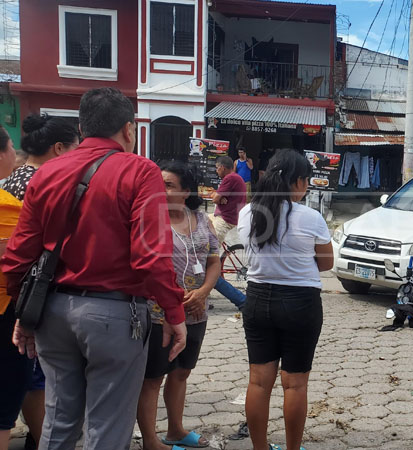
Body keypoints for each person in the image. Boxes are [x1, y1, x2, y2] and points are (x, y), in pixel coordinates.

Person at [1, 87, 188, 450]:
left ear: (83, 128)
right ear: (129, 130)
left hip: (53, 312)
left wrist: (24, 314)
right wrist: (174, 312)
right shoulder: (140, 171)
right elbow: (151, 255)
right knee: (107, 427)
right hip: (115, 315)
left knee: (58, 422)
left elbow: (19, 254)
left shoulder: (47, 173)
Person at [237, 149, 334, 450]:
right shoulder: (311, 217)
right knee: (294, 384)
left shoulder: (247, 213)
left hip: (257, 300)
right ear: (298, 181)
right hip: (300, 303)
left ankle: (260, 447)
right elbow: (326, 263)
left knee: (258, 382)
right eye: (306, 180)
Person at [3, 113, 80, 449]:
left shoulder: (10, 180)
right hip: (32, 297)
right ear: (60, 148)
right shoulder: (50, 184)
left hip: (16, 292)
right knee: (35, 375)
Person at [137, 161, 221, 450]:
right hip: (159, 314)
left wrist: (203, 292)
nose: (161, 189)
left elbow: (214, 262)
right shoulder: (149, 219)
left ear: (186, 191)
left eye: (169, 185)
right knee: (152, 378)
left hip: (196, 312)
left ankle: (175, 430)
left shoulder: (200, 219)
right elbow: (148, 268)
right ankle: (150, 440)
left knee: (181, 372)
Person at [0, 126, 29, 450]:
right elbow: (20, 258)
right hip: (6, 308)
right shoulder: (8, 206)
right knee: (6, 395)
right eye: (10, 146)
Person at [210, 155, 247, 310]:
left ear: (222, 167)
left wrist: (217, 197)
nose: (216, 171)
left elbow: (214, 198)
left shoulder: (230, 178)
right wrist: (218, 197)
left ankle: (212, 273)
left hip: (225, 219)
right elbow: (217, 197)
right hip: (220, 216)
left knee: (206, 254)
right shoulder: (234, 178)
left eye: (217, 168)